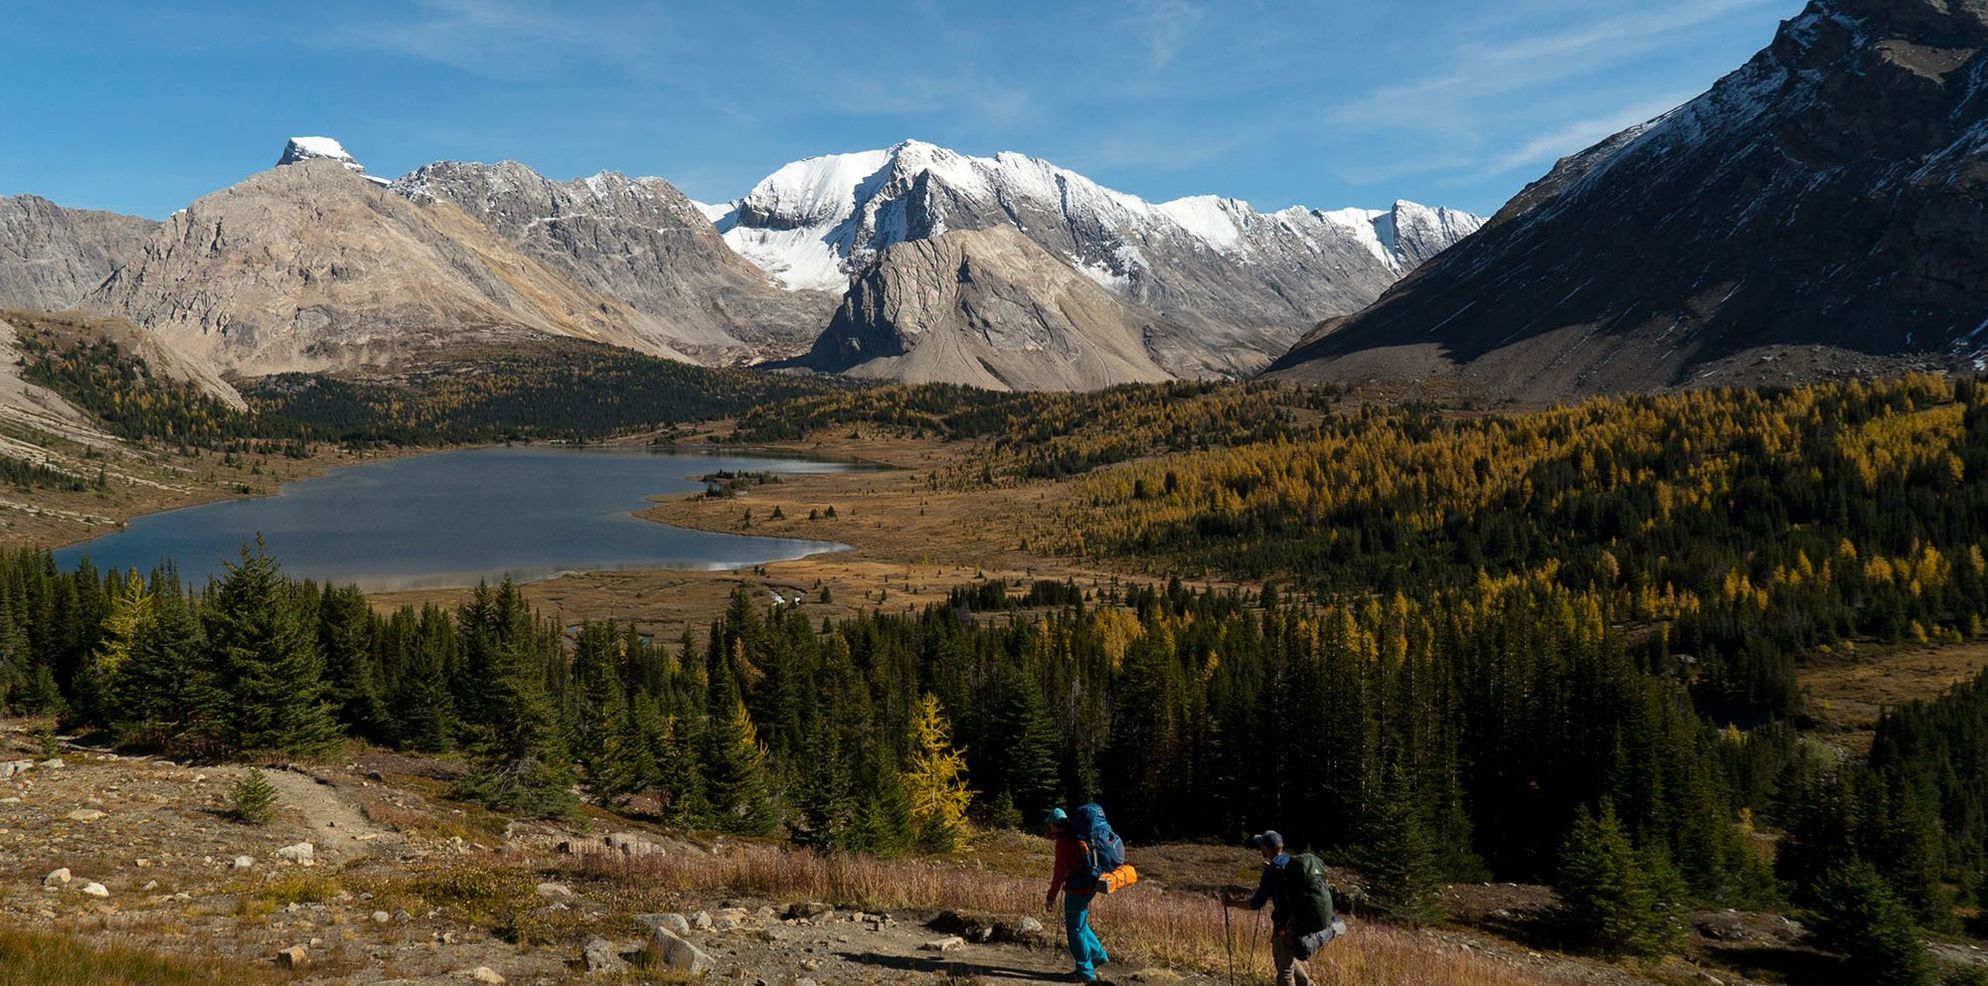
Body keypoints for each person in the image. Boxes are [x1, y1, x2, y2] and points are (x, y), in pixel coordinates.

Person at [1225, 830, 1313, 986]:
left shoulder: (1272, 872)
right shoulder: (1290, 862)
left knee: (1284, 969)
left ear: (1267, 848)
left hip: (1285, 926)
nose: (1260, 849)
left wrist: (1232, 903)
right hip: (1302, 922)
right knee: (1286, 957)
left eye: (1262, 846)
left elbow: (1256, 903)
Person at [1044, 807, 1110, 982]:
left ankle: (1085, 972)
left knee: (1075, 931)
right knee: (1080, 924)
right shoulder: (1078, 836)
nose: (1050, 829)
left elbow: (1058, 873)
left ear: (1055, 825)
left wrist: (1051, 896)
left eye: (1050, 825)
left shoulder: (1063, 842)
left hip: (1077, 889)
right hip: (1090, 885)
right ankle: (1098, 955)